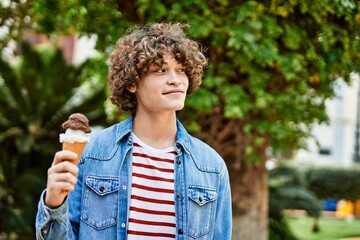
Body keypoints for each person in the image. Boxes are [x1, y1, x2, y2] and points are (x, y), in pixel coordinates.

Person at [35, 22, 232, 240]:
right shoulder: (91, 154)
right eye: (161, 70)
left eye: (181, 70)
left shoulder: (211, 167)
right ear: (132, 83)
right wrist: (53, 203)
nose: (175, 80)